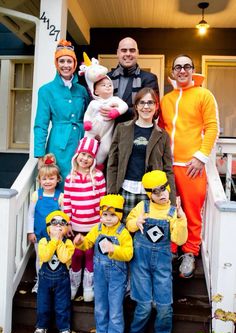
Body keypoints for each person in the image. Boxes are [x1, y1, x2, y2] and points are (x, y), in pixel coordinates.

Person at [160, 54, 219, 278]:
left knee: (193, 212)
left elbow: (212, 127)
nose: (182, 71)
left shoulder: (204, 95)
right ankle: (172, 250)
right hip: (168, 165)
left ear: (193, 70)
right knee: (170, 210)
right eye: (178, 67)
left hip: (192, 165)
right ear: (173, 72)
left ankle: (190, 252)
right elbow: (161, 128)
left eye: (187, 66)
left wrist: (201, 156)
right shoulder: (166, 99)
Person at [125, 170, 187, 333]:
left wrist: (182, 218)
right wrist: (136, 222)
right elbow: (128, 224)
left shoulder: (172, 212)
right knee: (143, 304)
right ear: (148, 193)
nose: (161, 194)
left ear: (168, 188)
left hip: (162, 266)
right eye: (155, 191)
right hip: (140, 265)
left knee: (164, 306)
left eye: (163, 189)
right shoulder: (141, 207)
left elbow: (180, 239)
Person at [73, 194, 133, 333]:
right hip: (99, 274)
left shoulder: (123, 232)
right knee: (100, 304)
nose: (108, 218)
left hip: (117, 274)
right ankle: (100, 332)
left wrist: (115, 249)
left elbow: (128, 253)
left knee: (115, 307)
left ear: (119, 215)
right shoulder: (97, 228)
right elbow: (88, 244)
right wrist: (80, 242)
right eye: (105, 214)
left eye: (112, 215)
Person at [107, 87, 176, 222]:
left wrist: (172, 199)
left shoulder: (163, 135)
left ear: (156, 106)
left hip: (152, 194)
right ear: (136, 106)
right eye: (142, 102)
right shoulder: (122, 129)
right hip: (126, 190)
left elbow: (168, 169)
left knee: (147, 238)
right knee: (123, 233)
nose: (146, 106)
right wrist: (111, 192)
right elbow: (112, 163)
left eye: (150, 103)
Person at [34, 39, 89, 186]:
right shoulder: (46, 90)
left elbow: (89, 117)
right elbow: (41, 124)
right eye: (62, 61)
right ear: (56, 64)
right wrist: (40, 154)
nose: (66, 65)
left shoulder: (82, 90)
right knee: (60, 182)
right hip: (58, 144)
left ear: (75, 64)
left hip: (81, 143)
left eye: (69, 61)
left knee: (80, 182)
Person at [63, 137, 106, 301]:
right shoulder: (70, 177)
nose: (85, 159)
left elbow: (103, 200)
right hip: (76, 225)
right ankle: (73, 285)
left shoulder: (98, 176)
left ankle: (88, 287)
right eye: (82, 154)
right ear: (76, 155)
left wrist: (101, 221)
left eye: (89, 156)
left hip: (93, 225)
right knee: (76, 254)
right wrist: (68, 222)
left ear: (94, 159)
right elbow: (67, 201)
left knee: (89, 255)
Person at [32, 210, 75, 333]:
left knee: (62, 305)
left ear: (66, 228)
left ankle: (64, 329)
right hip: (45, 279)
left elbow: (64, 258)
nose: (58, 226)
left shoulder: (68, 243)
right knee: (43, 304)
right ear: (48, 228)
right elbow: (44, 256)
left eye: (62, 223)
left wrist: (59, 241)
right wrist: (53, 242)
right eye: (54, 223)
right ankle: (41, 326)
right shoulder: (44, 241)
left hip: (62, 280)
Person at [27, 153, 63, 293]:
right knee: (40, 259)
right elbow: (31, 215)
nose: (48, 181)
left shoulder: (60, 197)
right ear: (39, 180)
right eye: (44, 179)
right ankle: (40, 282)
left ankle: (54, 282)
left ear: (58, 179)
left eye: (51, 178)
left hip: (55, 235)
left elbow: (64, 217)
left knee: (55, 258)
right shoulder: (37, 195)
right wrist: (30, 232)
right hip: (39, 233)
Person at [105, 37, 159, 123]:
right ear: (117, 53)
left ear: (137, 53)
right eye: (124, 50)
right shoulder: (106, 78)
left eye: (132, 50)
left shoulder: (149, 79)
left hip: (137, 132)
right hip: (109, 132)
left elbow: (154, 112)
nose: (128, 53)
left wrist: (119, 111)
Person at [83, 70, 128, 167]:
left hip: (107, 132)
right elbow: (87, 114)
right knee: (87, 146)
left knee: (106, 149)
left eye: (109, 85)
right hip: (91, 130)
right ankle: (84, 166)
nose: (107, 86)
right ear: (96, 91)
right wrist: (86, 123)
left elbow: (124, 106)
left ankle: (97, 165)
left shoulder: (115, 100)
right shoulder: (93, 103)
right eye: (103, 85)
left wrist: (116, 112)